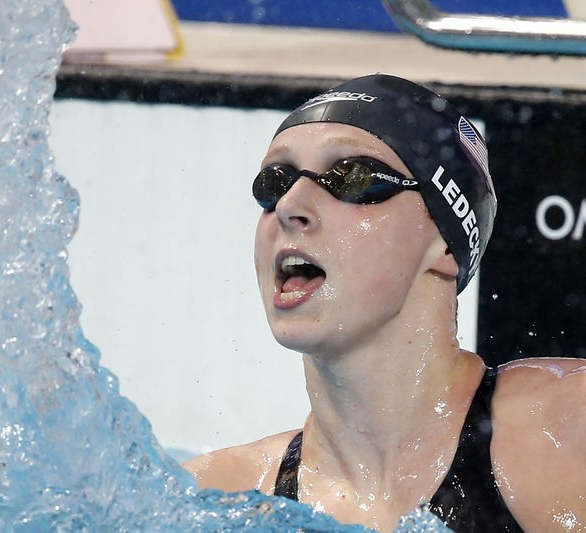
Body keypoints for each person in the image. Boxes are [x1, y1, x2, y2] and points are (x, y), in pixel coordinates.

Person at [183, 74, 585, 532]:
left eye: (352, 177)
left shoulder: (565, 432)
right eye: (273, 183)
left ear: (447, 244)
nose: (290, 205)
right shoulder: (219, 498)